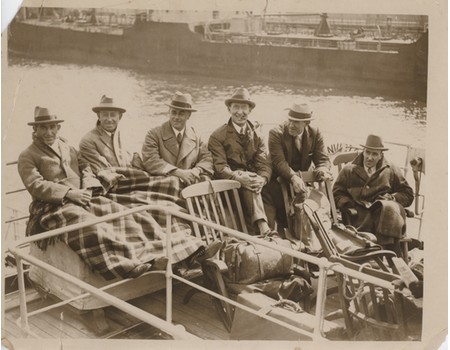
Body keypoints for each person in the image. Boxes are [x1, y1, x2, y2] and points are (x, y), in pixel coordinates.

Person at [18, 106, 217, 280]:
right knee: (90, 225)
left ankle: (170, 254)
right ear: (35, 129)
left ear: (58, 127)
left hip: (83, 197)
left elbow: (85, 167)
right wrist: (69, 193)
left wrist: (87, 187)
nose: (49, 132)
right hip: (52, 206)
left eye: (52, 127)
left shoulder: (67, 147)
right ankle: (126, 266)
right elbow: (35, 184)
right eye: (43, 127)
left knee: (128, 216)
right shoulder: (28, 155)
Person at [208, 87, 273, 236]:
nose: (240, 112)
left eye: (244, 107)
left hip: (255, 187)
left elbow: (264, 164)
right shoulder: (218, 136)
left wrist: (262, 179)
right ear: (229, 109)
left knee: (264, 184)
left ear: (250, 110)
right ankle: (264, 228)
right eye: (236, 107)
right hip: (229, 188)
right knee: (247, 177)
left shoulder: (258, 136)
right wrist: (237, 177)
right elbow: (220, 167)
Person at [333, 134, 414, 248]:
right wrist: (347, 204)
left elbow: (408, 194)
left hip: (384, 217)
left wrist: (393, 198)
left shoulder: (391, 170)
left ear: (381, 155)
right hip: (357, 217)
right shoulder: (349, 170)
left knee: (390, 209)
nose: (370, 157)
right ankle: (374, 253)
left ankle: (386, 253)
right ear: (363, 151)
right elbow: (336, 193)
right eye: (368, 152)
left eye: (375, 154)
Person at [265, 102, 331, 230]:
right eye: (290, 120)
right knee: (285, 217)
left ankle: (311, 232)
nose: (291, 125)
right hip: (277, 181)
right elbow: (279, 162)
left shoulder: (315, 133)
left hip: (300, 184)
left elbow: (322, 158)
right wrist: (293, 177)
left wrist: (322, 169)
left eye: (296, 122)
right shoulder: (275, 133)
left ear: (306, 123)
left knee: (311, 208)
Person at [141, 91, 214, 186]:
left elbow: (207, 158)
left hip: (190, 182)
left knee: (207, 183)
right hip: (166, 183)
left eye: (181, 114)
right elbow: (150, 160)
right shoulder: (154, 134)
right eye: (173, 112)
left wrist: (197, 170)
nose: (176, 117)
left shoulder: (196, 137)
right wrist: (178, 173)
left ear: (188, 116)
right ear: (169, 112)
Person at [79, 95, 132, 190]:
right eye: (105, 115)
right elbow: (103, 170)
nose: (109, 119)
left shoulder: (126, 135)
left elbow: (135, 160)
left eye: (113, 115)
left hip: (132, 179)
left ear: (120, 117)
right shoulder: (88, 140)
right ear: (99, 116)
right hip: (111, 185)